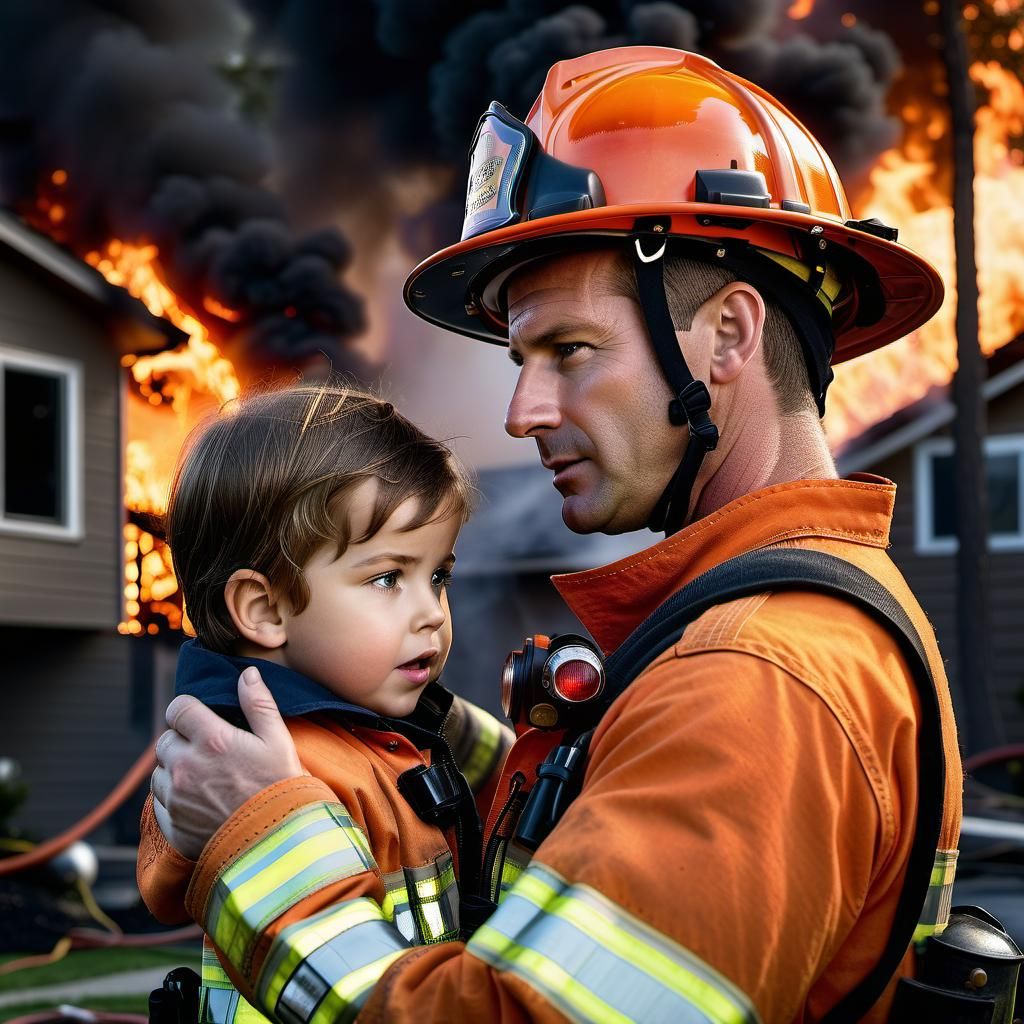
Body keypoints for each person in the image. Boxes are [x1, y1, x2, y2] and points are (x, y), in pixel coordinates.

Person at [149, 47, 962, 1023]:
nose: (522, 411)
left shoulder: (757, 678)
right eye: (520, 357)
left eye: (570, 351)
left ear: (730, 334)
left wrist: (257, 843)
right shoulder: (791, 630)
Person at [137, 383, 511, 1023]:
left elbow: (506, 777)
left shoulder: (389, 731)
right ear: (265, 609)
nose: (431, 614)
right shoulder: (277, 771)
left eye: (439, 575)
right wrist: (266, 813)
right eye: (388, 577)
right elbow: (166, 874)